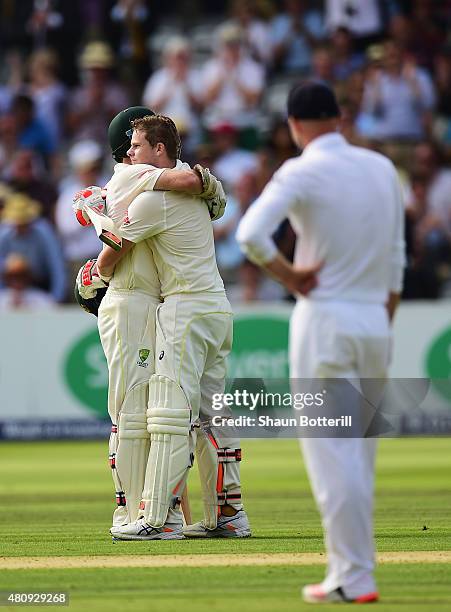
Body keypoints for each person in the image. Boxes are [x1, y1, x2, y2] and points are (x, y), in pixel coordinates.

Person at [237, 82, 405, 603]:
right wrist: (382, 316)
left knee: (333, 457)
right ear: (338, 117)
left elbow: (249, 235)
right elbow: (398, 254)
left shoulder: (300, 169)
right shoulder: (380, 168)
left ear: (294, 125)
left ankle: (355, 577)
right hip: (376, 319)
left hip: (326, 320)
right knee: (359, 455)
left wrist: (291, 278)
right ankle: (344, 572)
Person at [93, 114, 250, 540]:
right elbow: (215, 197)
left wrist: (92, 270)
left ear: (158, 150)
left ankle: (156, 518)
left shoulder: (150, 196)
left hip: (183, 309)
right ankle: (229, 513)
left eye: (138, 146)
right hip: (217, 306)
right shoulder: (200, 188)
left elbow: (114, 248)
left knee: (167, 415)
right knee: (210, 414)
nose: (131, 154)